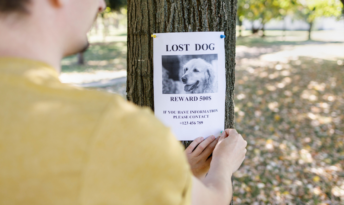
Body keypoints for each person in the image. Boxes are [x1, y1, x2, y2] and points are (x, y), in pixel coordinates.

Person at [0, 0, 248, 204]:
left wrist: (170, 172)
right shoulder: (111, 125)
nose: (101, 5)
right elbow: (211, 201)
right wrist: (223, 167)